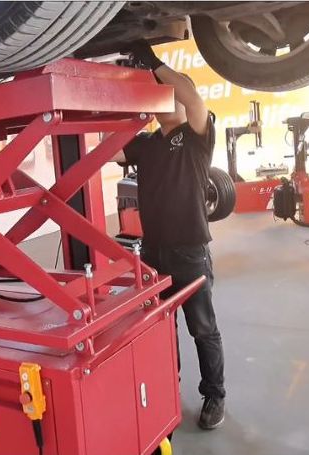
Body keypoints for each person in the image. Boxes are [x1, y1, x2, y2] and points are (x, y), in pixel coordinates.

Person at [113, 41, 226, 430]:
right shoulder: (145, 145)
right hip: (154, 254)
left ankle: (215, 395)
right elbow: (109, 151)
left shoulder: (196, 137)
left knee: (203, 329)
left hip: (191, 253)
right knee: (162, 330)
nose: (167, 100)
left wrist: (154, 63)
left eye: (170, 93)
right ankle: (166, 388)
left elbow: (192, 98)